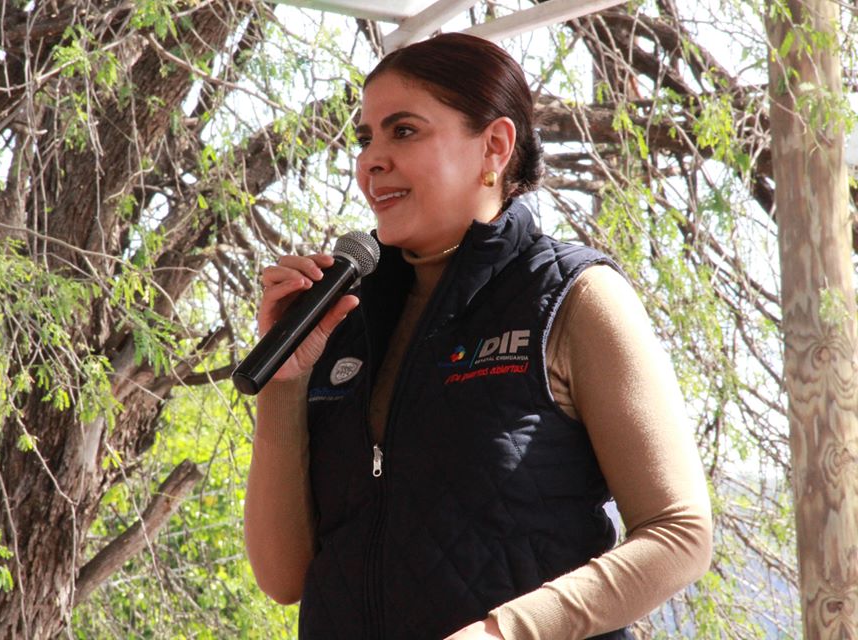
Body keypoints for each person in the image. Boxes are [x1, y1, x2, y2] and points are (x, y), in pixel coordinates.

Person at [243, 32, 712, 640]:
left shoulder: (573, 296)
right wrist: (285, 382)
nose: (370, 160)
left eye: (403, 131)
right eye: (365, 139)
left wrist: (504, 633)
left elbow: (680, 535)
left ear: (494, 146)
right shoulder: (342, 314)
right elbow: (283, 577)